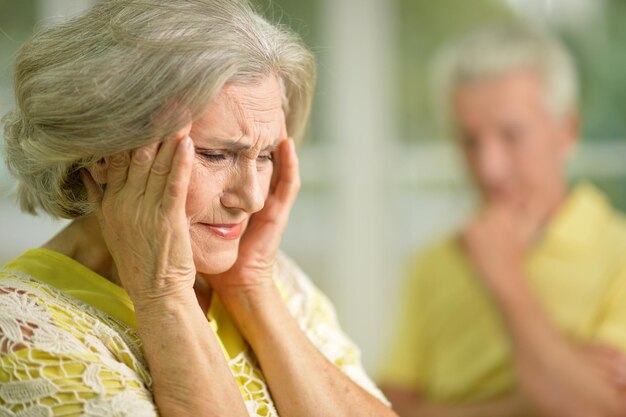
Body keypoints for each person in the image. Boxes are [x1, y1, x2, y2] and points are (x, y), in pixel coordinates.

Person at [0, 1, 394, 416]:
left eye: (264, 158)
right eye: (216, 155)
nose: (252, 198)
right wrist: (164, 293)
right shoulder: (18, 325)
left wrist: (252, 290)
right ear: (102, 155)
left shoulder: (278, 282)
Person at [380, 25, 626, 417]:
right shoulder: (434, 261)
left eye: (512, 135)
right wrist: (533, 400)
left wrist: (504, 276)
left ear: (567, 130)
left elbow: (598, 409)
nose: (489, 168)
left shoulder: (621, 255)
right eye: (470, 140)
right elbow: (386, 409)